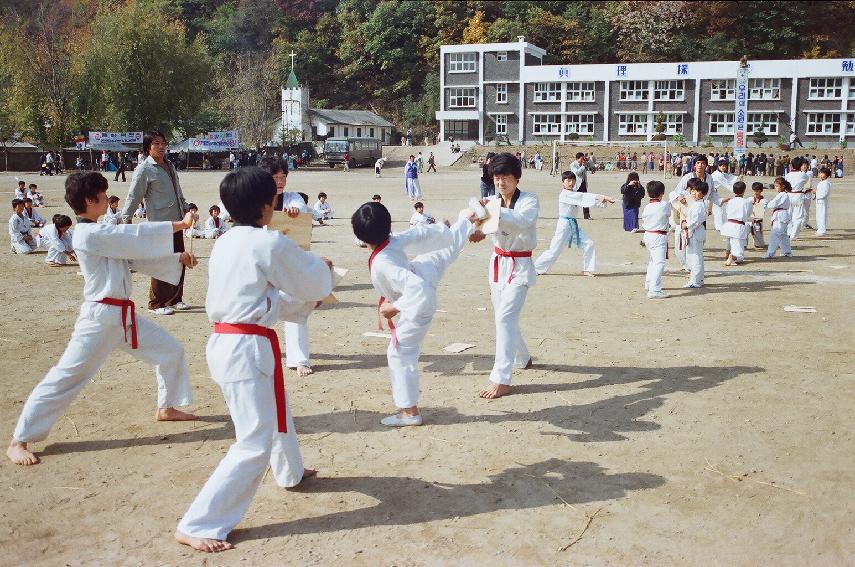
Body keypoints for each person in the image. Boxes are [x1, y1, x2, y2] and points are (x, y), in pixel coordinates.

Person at [175, 167, 332, 552]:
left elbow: (265, 299)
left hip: (233, 341)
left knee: (276, 411)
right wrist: (323, 272)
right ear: (267, 205)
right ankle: (199, 523)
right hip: (244, 348)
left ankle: (290, 471)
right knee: (254, 438)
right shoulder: (268, 243)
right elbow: (311, 282)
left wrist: (305, 295)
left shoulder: (228, 241)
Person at [7, 172, 198, 467]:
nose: (106, 199)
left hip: (123, 317)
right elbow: (132, 238)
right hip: (99, 319)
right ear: (89, 200)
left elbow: (131, 257)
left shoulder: (102, 232)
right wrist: (179, 225)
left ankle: (166, 407)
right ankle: (18, 439)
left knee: (170, 351)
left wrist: (177, 258)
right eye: (102, 194)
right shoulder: (88, 234)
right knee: (66, 376)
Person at [353, 200, 479, 426]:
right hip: (420, 274)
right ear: (388, 226)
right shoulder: (392, 239)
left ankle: (409, 412)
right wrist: (442, 230)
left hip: (419, 299)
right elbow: (419, 235)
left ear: (361, 237)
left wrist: (394, 307)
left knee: (399, 353)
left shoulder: (384, 262)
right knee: (442, 251)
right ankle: (469, 219)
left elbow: (417, 289)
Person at [468, 153, 539, 399]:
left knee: (505, 317)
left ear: (516, 178)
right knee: (502, 316)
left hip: (520, 265)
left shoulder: (529, 201)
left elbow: (521, 221)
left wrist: (491, 211)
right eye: (497, 178)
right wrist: (476, 229)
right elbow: (481, 226)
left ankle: (501, 379)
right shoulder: (490, 201)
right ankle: (523, 357)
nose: (500, 183)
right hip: (498, 264)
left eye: (505, 178)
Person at [121, 131, 190, 315]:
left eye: (163, 143)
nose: (161, 146)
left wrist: (186, 208)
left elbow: (178, 191)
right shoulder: (144, 169)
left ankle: (175, 299)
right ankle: (156, 303)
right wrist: (125, 218)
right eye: (156, 143)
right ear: (148, 147)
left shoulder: (170, 165)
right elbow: (134, 195)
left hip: (178, 221)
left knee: (180, 260)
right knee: (161, 262)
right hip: (159, 224)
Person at [260, 156, 316, 378]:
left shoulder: (294, 199)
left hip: (288, 261)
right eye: (275, 178)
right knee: (258, 307)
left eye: (283, 177)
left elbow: (304, 213)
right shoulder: (256, 200)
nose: (280, 182)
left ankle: (299, 359)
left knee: (296, 308)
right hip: (262, 262)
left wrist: (295, 213)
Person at [534, 171, 614, 277]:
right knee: (554, 251)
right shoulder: (565, 194)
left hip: (573, 225)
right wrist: (603, 197)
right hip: (564, 225)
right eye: (568, 181)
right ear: (563, 182)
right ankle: (535, 268)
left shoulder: (573, 193)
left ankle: (587, 269)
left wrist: (603, 201)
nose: (571, 183)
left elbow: (583, 199)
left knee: (589, 244)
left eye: (573, 180)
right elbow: (582, 197)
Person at [641, 180, 671, 299]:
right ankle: (654, 289)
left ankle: (649, 283)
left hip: (648, 235)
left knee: (653, 261)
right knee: (659, 263)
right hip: (658, 236)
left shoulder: (647, 207)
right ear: (662, 193)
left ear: (648, 193)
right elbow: (669, 210)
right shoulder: (664, 205)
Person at [719, 181, 752, 266]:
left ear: (733, 191)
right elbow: (748, 214)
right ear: (744, 191)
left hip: (729, 225)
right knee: (740, 256)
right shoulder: (747, 202)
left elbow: (726, 212)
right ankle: (733, 256)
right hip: (738, 226)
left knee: (730, 240)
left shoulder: (730, 201)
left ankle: (728, 252)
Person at [682, 181, 708, 289]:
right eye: (692, 190)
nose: (694, 193)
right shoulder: (697, 204)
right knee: (697, 257)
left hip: (695, 232)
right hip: (696, 232)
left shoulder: (699, 205)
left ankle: (695, 281)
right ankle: (698, 279)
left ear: (703, 193)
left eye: (697, 191)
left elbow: (695, 221)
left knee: (695, 257)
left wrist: (686, 225)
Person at [762, 177, 792, 259]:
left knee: (775, 234)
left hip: (780, 216)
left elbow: (772, 204)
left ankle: (770, 253)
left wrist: (766, 202)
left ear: (783, 186)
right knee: (783, 235)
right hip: (782, 215)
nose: (775, 188)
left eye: (777, 186)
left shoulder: (782, 195)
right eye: (775, 186)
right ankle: (787, 252)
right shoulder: (783, 194)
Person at [784, 157, 811, 241]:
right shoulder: (803, 174)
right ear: (800, 166)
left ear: (791, 165)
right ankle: (794, 234)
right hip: (798, 195)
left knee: (789, 214)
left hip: (789, 195)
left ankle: (789, 232)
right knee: (798, 216)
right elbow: (806, 181)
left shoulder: (788, 175)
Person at [570, 152, 592, 219]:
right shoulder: (573, 164)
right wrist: (583, 166)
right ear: (577, 158)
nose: (583, 160)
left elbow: (591, 165)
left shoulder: (584, 163)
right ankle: (572, 215)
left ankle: (587, 215)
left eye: (583, 158)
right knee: (575, 200)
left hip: (583, 184)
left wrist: (589, 160)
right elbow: (577, 173)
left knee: (586, 199)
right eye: (581, 158)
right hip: (576, 185)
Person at [814, 167, 831, 236]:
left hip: (822, 201)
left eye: (822, 173)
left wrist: (816, 192)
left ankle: (822, 230)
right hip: (819, 201)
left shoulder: (826, 183)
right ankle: (819, 229)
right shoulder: (821, 182)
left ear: (826, 175)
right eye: (820, 173)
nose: (821, 175)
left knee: (822, 215)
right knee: (818, 215)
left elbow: (824, 194)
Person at [749, 182, 767, 249]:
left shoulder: (764, 201)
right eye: (754, 190)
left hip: (757, 222)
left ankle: (758, 242)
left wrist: (754, 204)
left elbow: (759, 212)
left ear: (761, 191)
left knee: (760, 245)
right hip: (748, 220)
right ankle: (743, 244)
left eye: (757, 191)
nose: (755, 192)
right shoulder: (750, 199)